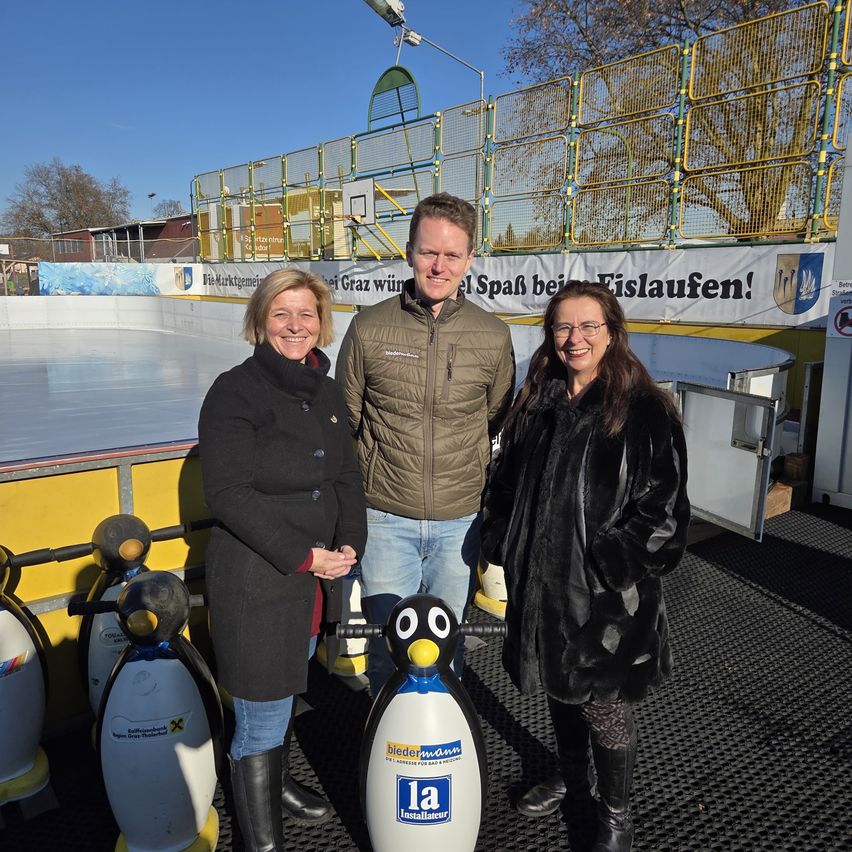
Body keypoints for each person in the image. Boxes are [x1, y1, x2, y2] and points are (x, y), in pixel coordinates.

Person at [480, 281, 690, 852]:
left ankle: (615, 815)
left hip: (605, 599)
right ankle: (574, 782)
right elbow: (504, 482)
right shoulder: (539, 403)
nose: (575, 339)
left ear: (612, 333)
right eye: (562, 327)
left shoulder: (643, 409)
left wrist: (610, 563)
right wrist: (502, 537)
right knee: (559, 689)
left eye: (588, 326)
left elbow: (665, 512)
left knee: (606, 706)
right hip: (540, 585)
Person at [198, 269, 367, 852]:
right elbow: (228, 494)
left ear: (322, 322)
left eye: (307, 314)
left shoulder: (324, 386)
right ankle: (263, 842)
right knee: (261, 717)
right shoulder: (234, 391)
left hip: (313, 577)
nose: (296, 327)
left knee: (287, 688)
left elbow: (345, 472)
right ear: (259, 321)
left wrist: (350, 543)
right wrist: (305, 557)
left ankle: (282, 780)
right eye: (281, 314)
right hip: (260, 578)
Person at [337, 192, 516, 695]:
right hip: (384, 519)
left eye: (452, 254)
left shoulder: (492, 334)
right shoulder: (369, 327)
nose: (439, 266)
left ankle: (444, 738)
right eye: (428, 251)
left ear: (469, 259)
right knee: (385, 647)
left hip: (459, 524)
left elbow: (496, 417)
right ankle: (385, 750)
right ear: (410, 251)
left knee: (447, 645)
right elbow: (345, 421)